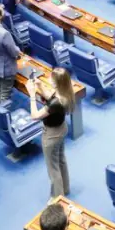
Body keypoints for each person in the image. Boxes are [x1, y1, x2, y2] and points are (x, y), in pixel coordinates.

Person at [26, 68, 76, 199]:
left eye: (51, 78)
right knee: (60, 160)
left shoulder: (55, 103)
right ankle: (65, 188)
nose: (48, 79)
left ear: (56, 83)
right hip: (61, 129)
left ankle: (57, 198)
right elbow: (51, 97)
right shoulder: (65, 93)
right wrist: (40, 86)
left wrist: (32, 95)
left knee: (53, 168)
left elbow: (35, 116)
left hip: (52, 135)